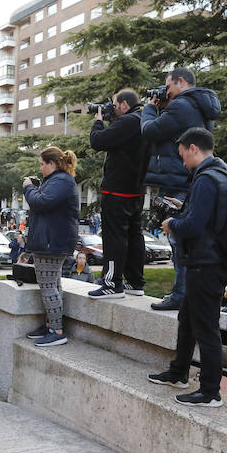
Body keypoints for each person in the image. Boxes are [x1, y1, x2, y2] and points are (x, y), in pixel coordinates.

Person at [147, 127, 227, 407]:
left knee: (206, 328)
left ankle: (210, 392)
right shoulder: (223, 174)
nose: (182, 162)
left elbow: (194, 226)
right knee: (187, 320)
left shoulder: (207, 179)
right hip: (208, 261)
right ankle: (178, 372)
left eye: (183, 155)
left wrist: (172, 224)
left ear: (194, 148)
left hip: (205, 264)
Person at [141, 67, 221, 311]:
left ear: (181, 81)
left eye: (168, 86)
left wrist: (149, 108)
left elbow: (149, 131)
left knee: (178, 241)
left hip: (176, 181)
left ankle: (180, 295)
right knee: (183, 241)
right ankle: (183, 292)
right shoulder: (199, 106)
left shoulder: (182, 106)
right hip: (188, 178)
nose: (166, 91)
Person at [88, 88, 148, 299]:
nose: (111, 108)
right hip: (136, 190)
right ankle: (135, 281)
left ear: (124, 104)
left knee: (115, 236)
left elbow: (97, 141)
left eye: (114, 105)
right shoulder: (144, 119)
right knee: (134, 234)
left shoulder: (128, 121)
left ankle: (112, 283)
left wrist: (98, 120)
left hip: (117, 189)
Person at [22, 146, 80, 347]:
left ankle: (56, 330)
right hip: (52, 241)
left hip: (52, 242)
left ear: (51, 164)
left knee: (48, 287)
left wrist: (28, 187)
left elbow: (40, 202)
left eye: (42, 164)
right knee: (53, 285)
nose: (40, 168)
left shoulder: (62, 181)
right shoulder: (58, 181)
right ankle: (50, 325)